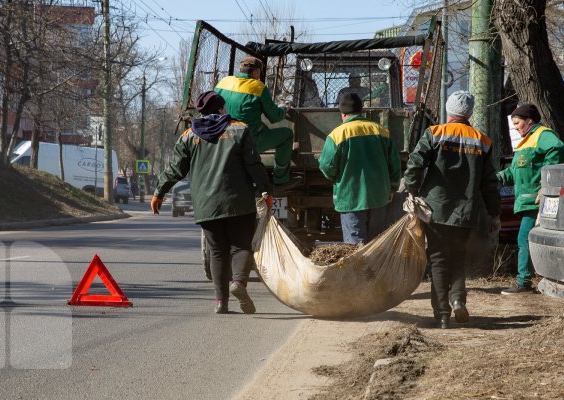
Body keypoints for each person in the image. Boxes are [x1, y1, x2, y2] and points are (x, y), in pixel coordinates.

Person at [151, 91, 273, 314]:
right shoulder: (240, 129)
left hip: (206, 205)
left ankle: (221, 302)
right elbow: (253, 164)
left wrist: (160, 192)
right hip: (239, 202)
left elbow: (175, 169)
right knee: (241, 246)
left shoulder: (188, 135)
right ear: (220, 108)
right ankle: (238, 283)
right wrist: (266, 190)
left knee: (217, 251)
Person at [403, 91, 500, 329]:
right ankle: (458, 300)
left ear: (449, 110)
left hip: (436, 210)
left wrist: (412, 191)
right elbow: (489, 183)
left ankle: (443, 314)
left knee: (437, 260)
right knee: (458, 258)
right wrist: (494, 213)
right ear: (469, 112)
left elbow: (415, 164)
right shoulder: (483, 140)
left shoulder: (434, 133)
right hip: (467, 212)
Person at [497, 103, 564, 295]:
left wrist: (547, 183)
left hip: (536, 202)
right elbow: (516, 172)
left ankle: (523, 282)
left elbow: (558, 147)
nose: (515, 127)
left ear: (529, 121)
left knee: (524, 239)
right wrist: (494, 178)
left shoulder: (542, 135)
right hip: (528, 202)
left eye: (517, 123)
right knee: (531, 239)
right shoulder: (526, 141)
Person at [318, 93, 401, 244]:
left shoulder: (337, 135)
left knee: (355, 249)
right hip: (379, 198)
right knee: (376, 245)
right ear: (361, 110)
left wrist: (337, 178)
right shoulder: (381, 131)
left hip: (350, 198)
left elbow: (326, 166)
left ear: (342, 113)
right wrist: (392, 187)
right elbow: (395, 165)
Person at [214, 56, 298, 189]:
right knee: (287, 135)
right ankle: (280, 178)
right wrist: (284, 108)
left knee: (259, 125)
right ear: (255, 72)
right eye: (259, 73)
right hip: (248, 142)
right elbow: (274, 117)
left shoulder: (223, 82)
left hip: (224, 139)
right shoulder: (258, 87)